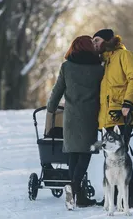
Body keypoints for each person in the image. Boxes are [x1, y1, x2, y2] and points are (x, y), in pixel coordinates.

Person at [46, 35, 104, 210]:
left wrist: (50, 109)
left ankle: (76, 193)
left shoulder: (67, 67)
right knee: (85, 153)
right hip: (90, 117)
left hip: (70, 117)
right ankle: (77, 191)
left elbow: (57, 91)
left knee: (72, 153)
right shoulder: (99, 69)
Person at [92, 29, 133, 208]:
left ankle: (124, 199)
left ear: (107, 40)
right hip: (106, 120)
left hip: (122, 117)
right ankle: (119, 198)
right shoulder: (105, 62)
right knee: (111, 159)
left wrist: (127, 103)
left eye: (97, 40)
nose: (94, 44)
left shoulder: (124, 55)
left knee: (121, 159)